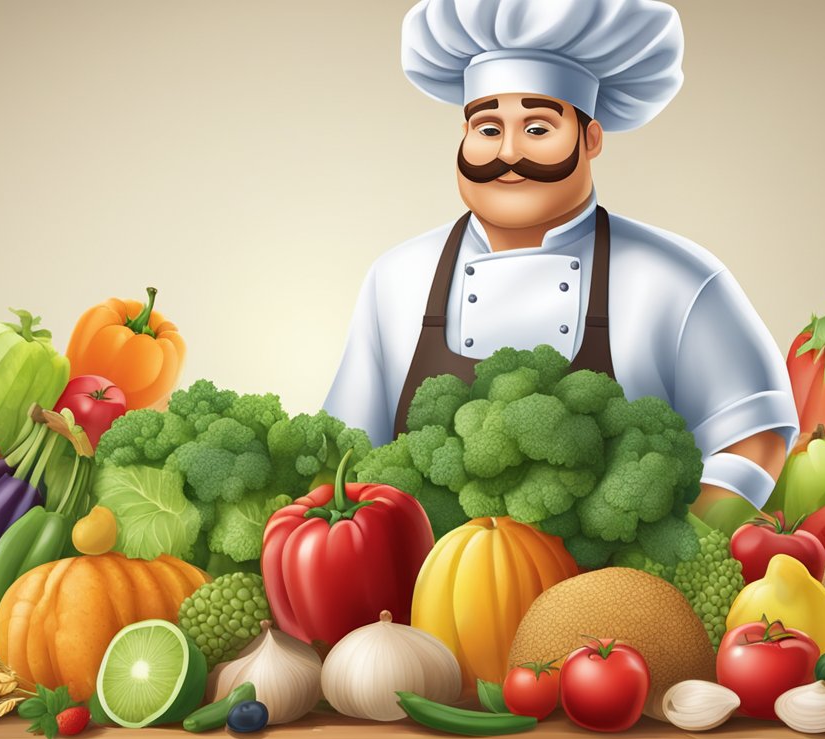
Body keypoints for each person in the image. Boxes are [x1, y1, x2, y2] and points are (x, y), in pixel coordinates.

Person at [323, 0, 799, 514]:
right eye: (487, 129)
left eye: (536, 129)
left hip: (616, 593)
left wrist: (676, 559)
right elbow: (342, 455)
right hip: (416, 591)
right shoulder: (396, 278)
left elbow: (755, 436)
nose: (507, 153)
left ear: (591, 138)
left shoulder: (677, 281)